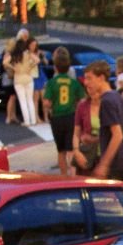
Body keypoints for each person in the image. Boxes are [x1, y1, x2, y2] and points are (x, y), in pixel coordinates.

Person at [71, 60, 123, 182]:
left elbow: (117, 135)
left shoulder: (107, 101)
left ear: (101, 78)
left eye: (89, 78)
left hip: (116, 165)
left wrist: (104, 165)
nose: (86, 83)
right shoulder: (116, 97)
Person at [41, 47, 81, 175]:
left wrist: (51, 107)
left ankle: (63, 176)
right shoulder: (73, 83)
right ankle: (73, 175)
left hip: (57, 117)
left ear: (56, 68)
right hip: (71, 116)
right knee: (71, 149)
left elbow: (46, 102)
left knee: (61, 150)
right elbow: (82, 99)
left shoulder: (52, 83)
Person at [8, 33, 41, 127]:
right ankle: (33, 120)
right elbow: (38, 60)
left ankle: (27, 121)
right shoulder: (27, 54)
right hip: (28, 77)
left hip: (18, 79)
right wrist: (30, 66)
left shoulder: (14, 56)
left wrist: (13, 68)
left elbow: (5, 62)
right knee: (30, 100)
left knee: (23, 101)